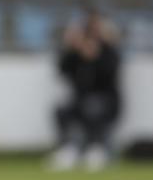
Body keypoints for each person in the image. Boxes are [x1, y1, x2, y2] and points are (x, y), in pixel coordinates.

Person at [50, 9, 122, 171]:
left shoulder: (108, 51)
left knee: (94, 108)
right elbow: (62, 69)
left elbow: (110, 73)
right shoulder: (76, 53)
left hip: (106, 100)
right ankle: (69, 148)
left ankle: (97, 148)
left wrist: (96, 57)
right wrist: (71, 48)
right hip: (79, 99)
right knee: (61, 110)